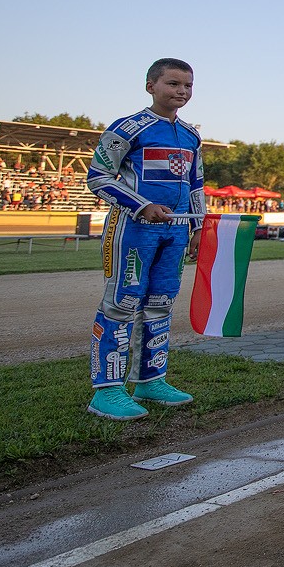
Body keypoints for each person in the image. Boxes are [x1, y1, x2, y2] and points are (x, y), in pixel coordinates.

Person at [84, 58, 204, 421]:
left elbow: (196, 184)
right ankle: (106, 391)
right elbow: (98, 177)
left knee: (161, 303)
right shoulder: (128, 128)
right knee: (121, 303)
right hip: (134, 229)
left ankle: (150, 380)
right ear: (151, 86)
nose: (181, 91)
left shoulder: (192, 136)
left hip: (176, 231)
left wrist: (197, 227)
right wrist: (142, 205)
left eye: (187, 85)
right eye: (172, 84)